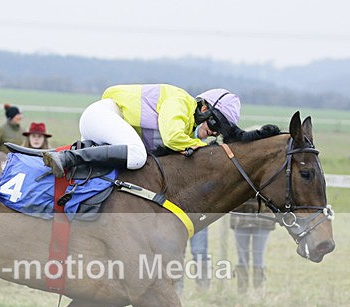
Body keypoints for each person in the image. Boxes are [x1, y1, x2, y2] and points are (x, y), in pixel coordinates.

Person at [43, 84, 279, 178]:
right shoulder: (180, 102)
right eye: (214, 125)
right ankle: (66, 157)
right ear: (204, 107)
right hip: (103, 116)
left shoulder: (187, 122)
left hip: (108, 123)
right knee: (136, 156)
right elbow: (173, 137)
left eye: (218, 133)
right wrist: (206, 148)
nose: (212, 133)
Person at [230, 198, 276, 295]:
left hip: (263, 219)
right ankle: (242, 292)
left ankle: (258, 292)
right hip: (241, 218)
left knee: (259, 257)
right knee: (242, 257)